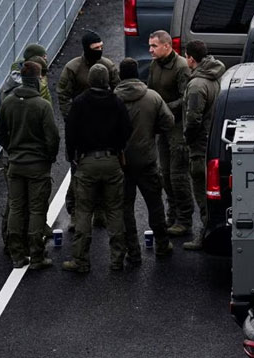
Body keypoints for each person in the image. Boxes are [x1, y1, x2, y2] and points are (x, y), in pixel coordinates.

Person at [62, 64, 131, 272]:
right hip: (111, 161)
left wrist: (73, 156)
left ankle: (81, 260)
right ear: (108, 80)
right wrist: (118, 148)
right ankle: (117, 259)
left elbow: (70, 132)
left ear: (90, 80)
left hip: (87, 162)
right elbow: (126, 129)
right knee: (114, 211)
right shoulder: (117, 102)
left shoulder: (80, 103)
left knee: (83, 211)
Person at [0, 61, 60, 269]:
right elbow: (53, 137)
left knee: (16, 207)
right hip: (37, 165)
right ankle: (36, 255)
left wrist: (12, 149)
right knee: (36, 209)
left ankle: (17, 255)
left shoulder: (9, 102)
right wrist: (48, 157)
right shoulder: (42, 106)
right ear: (38, 79)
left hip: (15, 163)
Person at [114, 58, 175, 266]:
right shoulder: (152, 97)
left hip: (120, 162)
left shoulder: (113, 99)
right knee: (154, 203)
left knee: (124, 208)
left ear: (121, 76)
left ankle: (133, 251)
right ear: (137, 74)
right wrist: (151, 132)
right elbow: (168, 121)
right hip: (147, 159)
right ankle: (162, 243)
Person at [57, 31, 120, 231]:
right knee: (78, 172)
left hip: (102, 129)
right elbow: (63, 95)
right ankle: (75, 213)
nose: (99, 51)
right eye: (95, 48)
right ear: (86, 49)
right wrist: (72, 118)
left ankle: (100, 212)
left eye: (101, 47)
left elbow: (118, 91)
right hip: (80, 127)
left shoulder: (108, 66)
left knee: (102, 172)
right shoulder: (73, 68)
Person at [147, 30, 194, 237]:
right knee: (164, 174)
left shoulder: (181, 67)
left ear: (167, 46)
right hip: (162, 127)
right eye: (150, 46)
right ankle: (172, 214)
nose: (150, 50)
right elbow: (150, 89)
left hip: (177, 127)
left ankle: (184, 219)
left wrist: (162, 108)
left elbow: (186, 98)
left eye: (154, 46)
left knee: (178, 176)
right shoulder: (154, 65)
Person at [182, 40, 225, 250]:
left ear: (191, 58)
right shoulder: (215, 76)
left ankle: (205, 237)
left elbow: (193, 120)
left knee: (202, 197)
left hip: (199, 147)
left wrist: (187, 139)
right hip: (211, 141)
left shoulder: (197, 85)